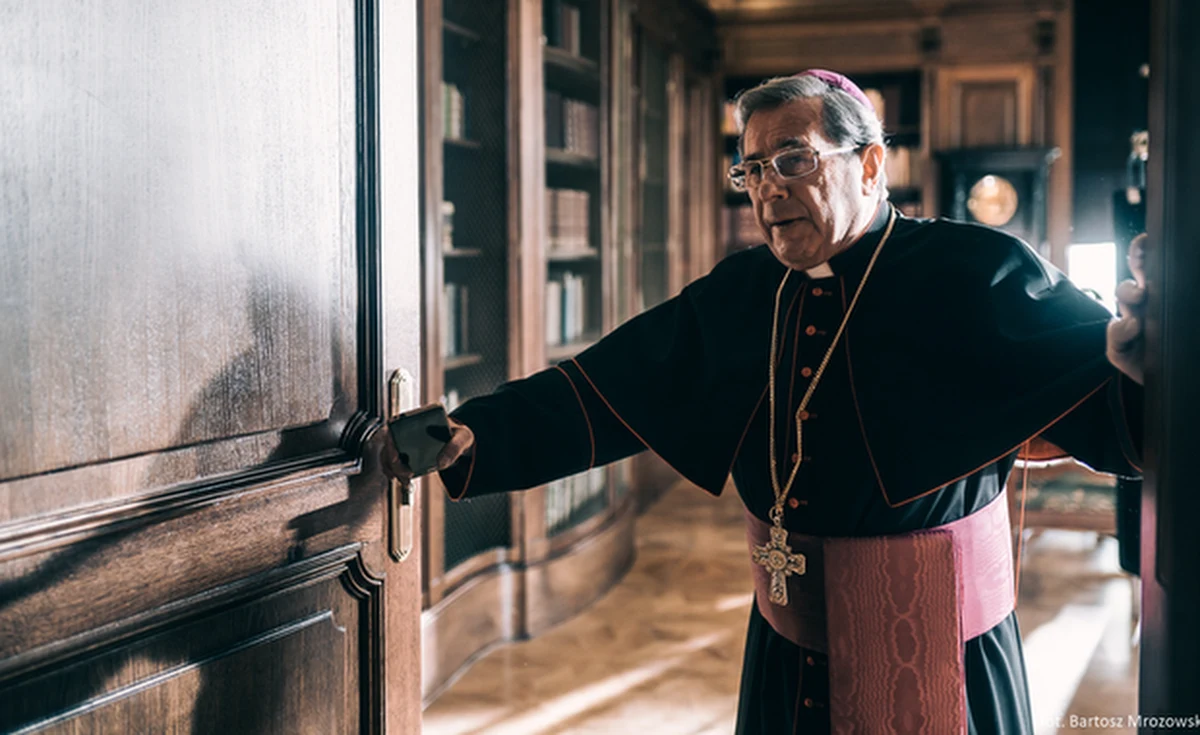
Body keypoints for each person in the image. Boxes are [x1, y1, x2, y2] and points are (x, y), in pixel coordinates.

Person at [383, 70, 1146, 734]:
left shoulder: (977, 271)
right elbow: (613, 384)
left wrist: (1154, 361)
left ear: (871, 164)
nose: (768, 186)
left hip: (935, 651)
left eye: (793, 159)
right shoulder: (745, 290)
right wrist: (478, 431)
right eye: (750, 169)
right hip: (787, 646)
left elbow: (1116, 389)